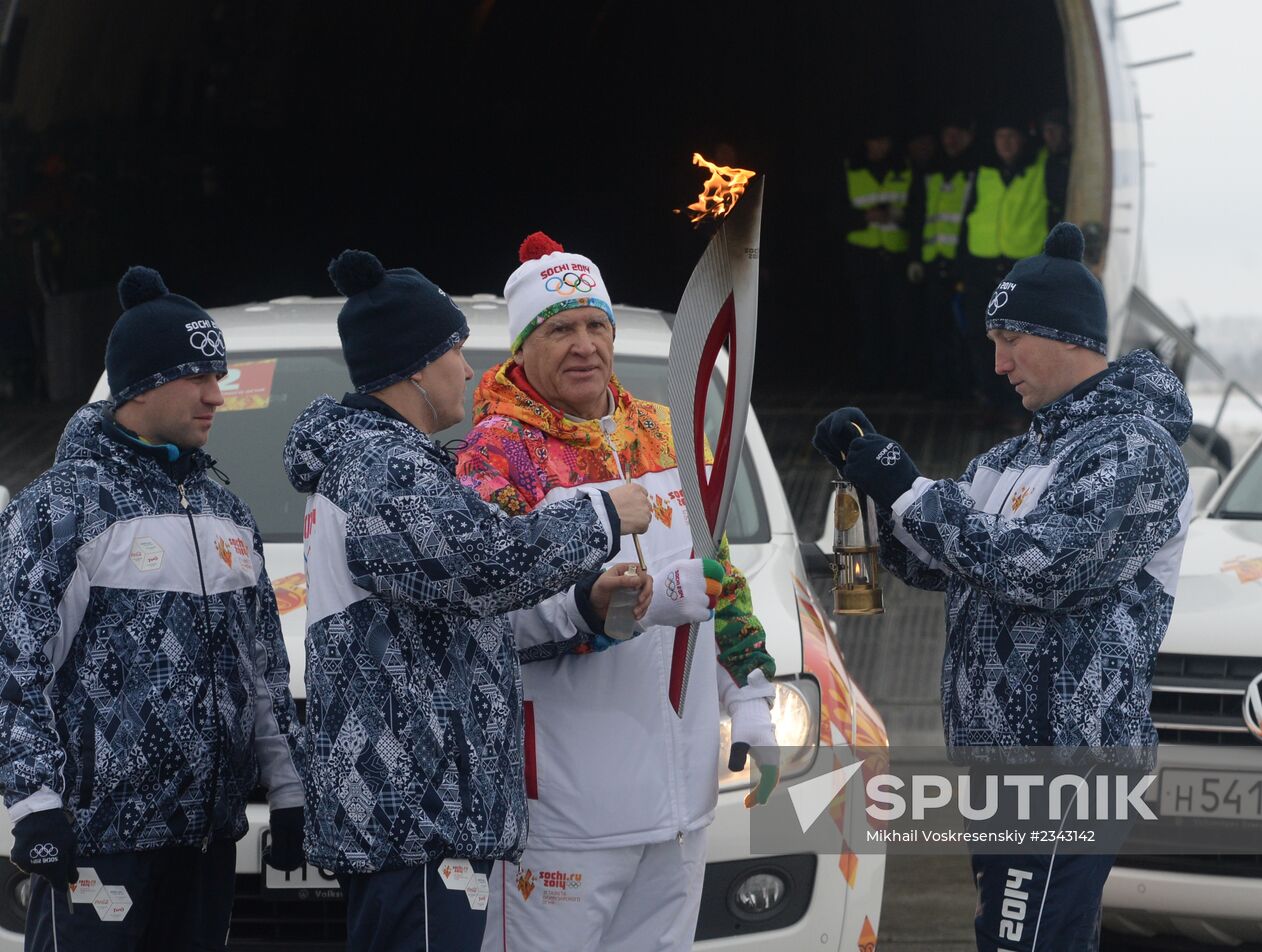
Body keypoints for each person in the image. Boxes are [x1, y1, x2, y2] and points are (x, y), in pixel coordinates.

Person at [814, 223, 1194, 952]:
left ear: (1064, 336)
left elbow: (1040, 565)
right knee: (1015, 939)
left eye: (1009, 341)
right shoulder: (1013, 457)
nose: (997, 363)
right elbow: (940, 559)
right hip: (999, 763)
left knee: (1021, 943)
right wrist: (868, 485)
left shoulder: (1134, 451)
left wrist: (911, 486)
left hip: (1070, 764)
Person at [282, 250, 654, 952]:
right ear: (418, 365)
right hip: (413, 810)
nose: (467, 370)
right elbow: (480, 567)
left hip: (427, 813)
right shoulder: (380, 466)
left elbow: (454, 614)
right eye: (455, 351)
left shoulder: (394, 462)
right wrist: (601, 517)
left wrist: (581, 608)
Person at [456, 232, 781, 952]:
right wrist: (617, 607)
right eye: (559, 328)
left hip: (680, 802)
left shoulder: (667, 434)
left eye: (595, 325)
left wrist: (751, 692)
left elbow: (719, 574)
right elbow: (486, 612)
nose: (584, 345)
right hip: (563, 811)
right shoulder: (498, 454)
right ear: (523, 346)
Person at [0, 266, 307, 949]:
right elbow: (15, 668)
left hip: (205, 841)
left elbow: (261, 670)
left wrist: (288, 794)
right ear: (141, 384)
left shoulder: (226, 513)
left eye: (220, 376)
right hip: (95, 845)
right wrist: (36, 805)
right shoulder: (63, 509)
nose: (214, 396)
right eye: (198, 377)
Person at [959, 117, 1051, 416]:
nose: (1006, 143)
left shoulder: (1041, 168)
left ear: (1025, 139)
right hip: (980, 267)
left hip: (1021, 268)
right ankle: (986, 402)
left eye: (1012, 135)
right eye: (1000, 135)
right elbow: (967, 216)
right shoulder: (983, 172)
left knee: (1020, 343)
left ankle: (1016, 408)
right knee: (979, 339)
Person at [907, 116, 979, 399]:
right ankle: (942, 386)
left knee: (965, 332)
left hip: (963, 267)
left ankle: (966, 388)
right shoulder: (930, 172)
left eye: (957, 134)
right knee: (935, 329)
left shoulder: (977, 171)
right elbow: (917, 217)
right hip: (932, 264)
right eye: (947, 134)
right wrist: (915, 257)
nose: (951, 140)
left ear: (970, 136)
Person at [843, 128, 912, 387]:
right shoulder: (851, 169)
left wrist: (897, 215)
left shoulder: (904, 168)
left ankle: (902, 377)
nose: (879, 146)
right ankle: (873, 377)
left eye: (883, 139)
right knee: (869, 319)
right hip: (864, 256)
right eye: (874, 138)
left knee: (901, 319)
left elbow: (915, 208)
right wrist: (865, 217)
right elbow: (836, 212)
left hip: (897, 255)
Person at [1040, 107, 1072, 225]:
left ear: (1065, 131)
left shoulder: (1076, 160)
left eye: (1054, 129)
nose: (1050, 135)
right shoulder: (1041, 161)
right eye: (1046, 130)